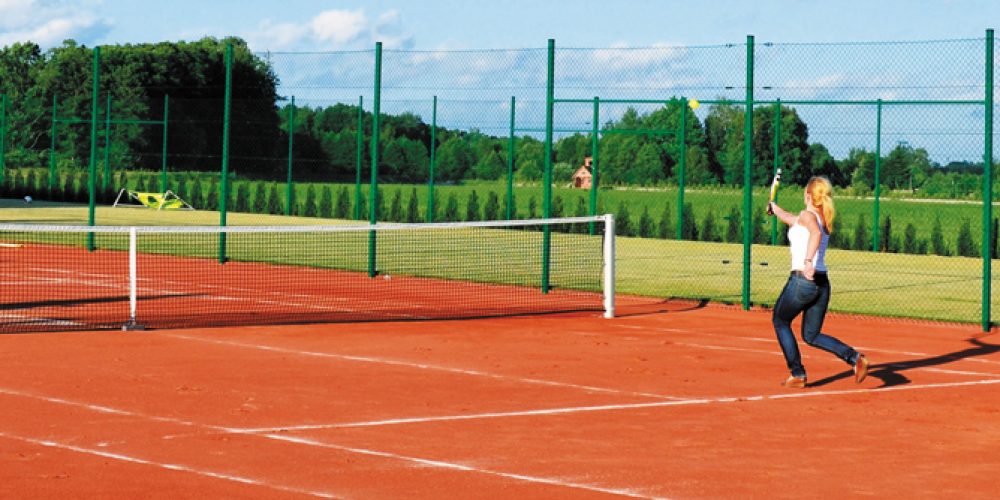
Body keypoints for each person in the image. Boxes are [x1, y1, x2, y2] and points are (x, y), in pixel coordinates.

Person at [768, 176, 869, 388]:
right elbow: (792, 219)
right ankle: (854, 358)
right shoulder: (822, 217)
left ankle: (797, 373)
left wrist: (807, 262)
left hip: (803, 281)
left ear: (808, 195)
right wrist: (775, 209)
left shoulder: (808, 217)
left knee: (780, 321)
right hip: (822, 284)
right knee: (811, 335)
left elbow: (814, 233)